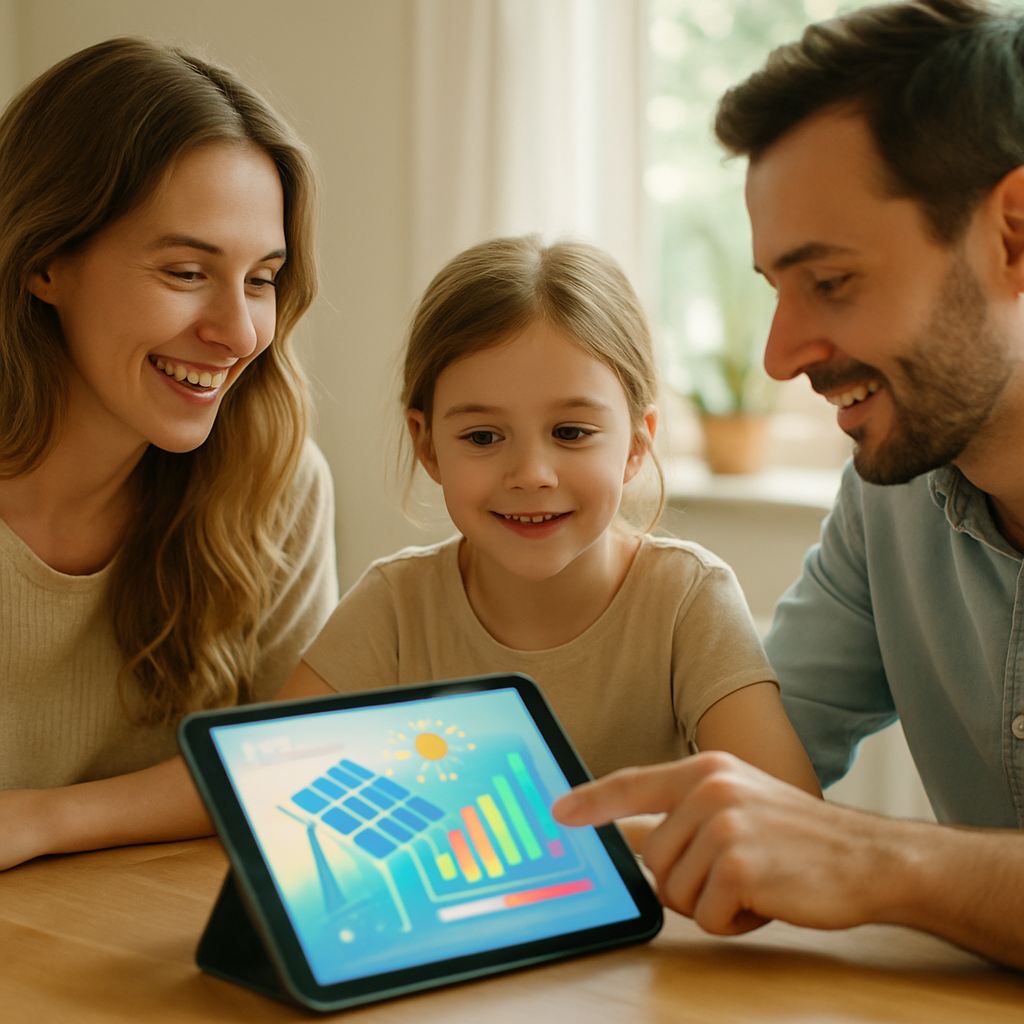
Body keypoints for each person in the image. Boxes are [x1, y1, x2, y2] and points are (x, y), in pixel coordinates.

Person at [554, 0, 1024, 969]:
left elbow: (829, 847)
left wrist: (878, 861)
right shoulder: (889, 498)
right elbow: (735, 771)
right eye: (774, 286)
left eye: (831, 282)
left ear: (1012, 234)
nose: (778, 357)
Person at [275, 235, 820, 796]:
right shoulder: (393, 607)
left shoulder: (688, 601)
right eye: (483, 436)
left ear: (636, 443)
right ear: (429, 446)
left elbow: (791, 822)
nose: (532, 473)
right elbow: (260, 777)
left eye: (571, 433)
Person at [0, 39, 338, 868]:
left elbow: (290, 765)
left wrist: (37, 820)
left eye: (261, 278)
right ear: (46, 260)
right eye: (186, 270)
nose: (238, 332)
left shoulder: (276, 482)